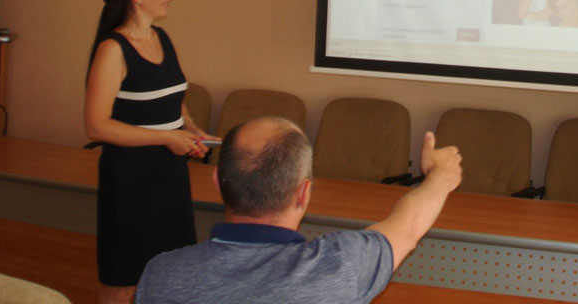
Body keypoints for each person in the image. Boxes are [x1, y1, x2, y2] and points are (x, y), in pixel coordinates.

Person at [135, 117, 463, 304]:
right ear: (304, 193)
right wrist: (442, 174)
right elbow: (409, 224)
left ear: (218, 183)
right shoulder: (339, 267)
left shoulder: (160, 275)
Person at [84, 0, 218, 304]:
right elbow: (96, 126)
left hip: (169, 176)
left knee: (169, 269)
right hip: (130, 180)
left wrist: (190, 127)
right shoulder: (113, 49)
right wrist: (166, 137)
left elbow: (172, 96)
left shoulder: (162, 37)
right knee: (123, 279)